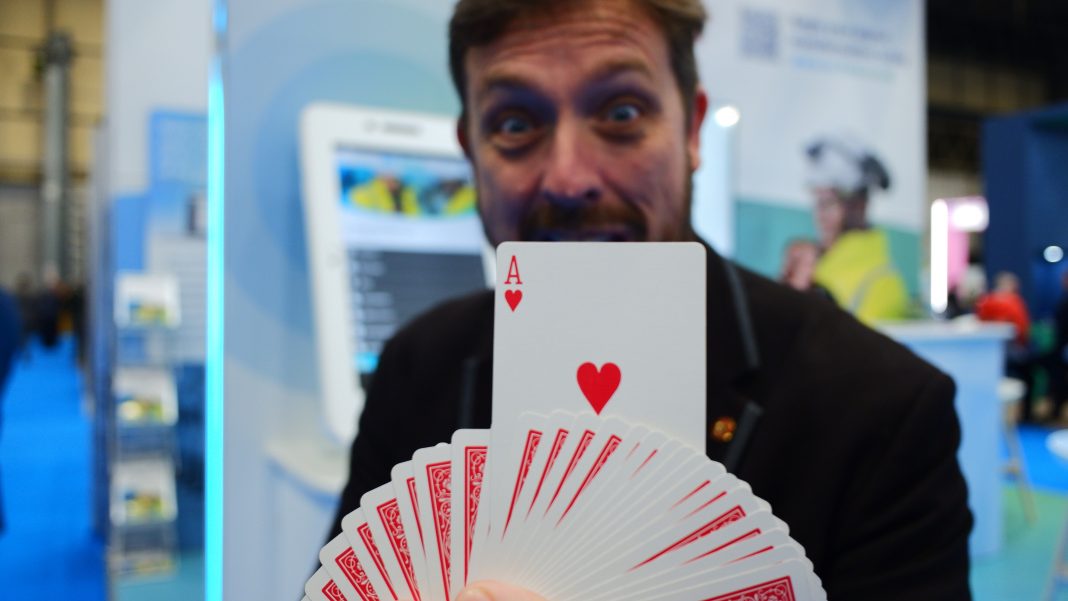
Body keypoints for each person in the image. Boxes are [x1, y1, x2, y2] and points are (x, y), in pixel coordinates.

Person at [328, 1, 972, 599]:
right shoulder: (418, 368)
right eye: (515, 124)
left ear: (691, 130)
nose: (570, 178)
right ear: (472, 152)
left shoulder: (881, 408)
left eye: (621, 114)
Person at [804, 136, 909, 324]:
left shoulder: (882, 283)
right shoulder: (812, 266)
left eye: (828, 203)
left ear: (859, 206)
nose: (820, 215)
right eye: (818, 203)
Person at [976, 271, 1035, 420]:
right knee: (1027, 377)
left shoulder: (986, 301)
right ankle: (1025, 416)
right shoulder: (1014, 302)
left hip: (990, 356)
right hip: (1011, 355)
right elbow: (1023, 330)